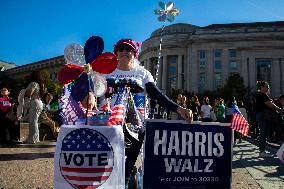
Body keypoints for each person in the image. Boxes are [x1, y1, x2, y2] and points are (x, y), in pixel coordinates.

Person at [104, 38, 193, 186]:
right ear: (116, 53)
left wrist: (179, 109)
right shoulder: (107, 73)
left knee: (128, 168)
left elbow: (157, 95)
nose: (125, 51)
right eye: (121, 49)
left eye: (129, 49)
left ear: (135, 53)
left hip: (136, 127)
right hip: (112, 125)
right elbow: (95, 92)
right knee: (112, 167)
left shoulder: (142, 73)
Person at [255, 81, 283, 158]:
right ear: (262, 87)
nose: (268, 88)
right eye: (266, 86)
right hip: (264, 116)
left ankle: (262, 150)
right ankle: (262, 151)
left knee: (263, 133)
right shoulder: (262, 95)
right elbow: (269, 104)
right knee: (263, 133)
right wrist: (279, 109)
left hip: (261, 115)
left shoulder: (259, 95)